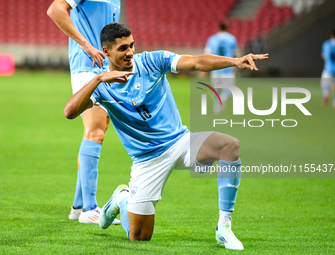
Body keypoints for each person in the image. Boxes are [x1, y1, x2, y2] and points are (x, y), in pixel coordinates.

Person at [63, 22, 268, 250]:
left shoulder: (151, 61)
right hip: (147, 161)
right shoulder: (102, 85)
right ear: (106, 51)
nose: (130, 52)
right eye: (122, 48)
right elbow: (69, 112)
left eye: (131, 45)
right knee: (139, 236)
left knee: (230, 146)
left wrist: (234, 61)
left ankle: (224, 228)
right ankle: (122, 198)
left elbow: (197, 61)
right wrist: (97, 80)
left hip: (180, 142)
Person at [47, 0, 121, 224]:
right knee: (95, 131)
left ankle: (78, 206)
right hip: (87, 67)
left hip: (103, 67)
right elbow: (55, 10)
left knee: (100, 130)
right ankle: (90, 209)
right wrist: (86, 45)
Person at [204, 22, 238, 114]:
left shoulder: (212, 39)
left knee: (216, 89)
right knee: (231, 89)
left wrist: (204, 68)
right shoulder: (232, 39)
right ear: (227, 28)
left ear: (218, 28)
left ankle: (216, 108)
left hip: (215, 68)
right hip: (228, 68)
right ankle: (222, 99)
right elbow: (234, 54)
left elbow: (207, 54)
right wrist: (235, 67)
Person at [321, 29, 335, 109]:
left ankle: (326, 93)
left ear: (331, 35)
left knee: (324, 84)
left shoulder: (326, 44)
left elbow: (324, 56)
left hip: (328, 69)